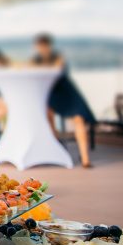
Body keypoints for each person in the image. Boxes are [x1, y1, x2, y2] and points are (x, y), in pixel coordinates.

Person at [33, 33, 95, 168]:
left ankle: (85, 159)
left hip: (67, 92)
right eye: (40, 46)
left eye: (44, 46)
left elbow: (58, 70)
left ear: (48, 46)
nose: (42, 49)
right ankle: (57, 147)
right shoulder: (36, 60)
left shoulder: (57, 57)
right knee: (47, 115)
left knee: (79, 119)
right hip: (50, 94)